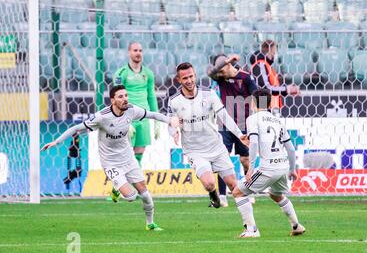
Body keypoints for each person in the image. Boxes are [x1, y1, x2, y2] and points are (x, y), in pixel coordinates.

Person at [41, 85, 181, 231]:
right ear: (113, 100)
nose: (125, 99)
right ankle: (116, 188)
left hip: (128, 158)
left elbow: (152, 114)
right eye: (121, 97)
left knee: (144, 192)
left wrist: (169, 120)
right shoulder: (102, 117)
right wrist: (56, 141)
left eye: (126, 95)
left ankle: (150, 223)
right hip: (111, 163)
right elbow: (76, 128)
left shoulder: (131, 110)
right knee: (131, 197)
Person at [168, 62, 256, 236]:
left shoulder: (209, 94)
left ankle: (251, 227)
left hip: (216, 147)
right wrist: (174, 132)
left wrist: (240, 135)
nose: (189, 80)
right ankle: (213, 194)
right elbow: (171, 123)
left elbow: (225, 116)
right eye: (185, 78)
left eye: (191, 76)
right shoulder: (174, 101)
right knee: (208, 183)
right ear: (179, 80)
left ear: (195, 75)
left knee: (234, 185)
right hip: (194, 151)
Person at [231, 88, 306, 238]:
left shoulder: (253, 119)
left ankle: (252, 230)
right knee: (276, 195)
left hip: (268, 168)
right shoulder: (277, 120)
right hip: (283, 166)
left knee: (238, 192)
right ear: (270, 103)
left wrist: (250, 168)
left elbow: (253, 144)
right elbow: (290, 149)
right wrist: (292, 169)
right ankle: (296, 226)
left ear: (253, 103)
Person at [207, 53, 258, 207]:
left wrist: (262, 115)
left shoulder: (246, 77)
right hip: (225, 124)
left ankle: (249, 191)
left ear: (229, 66)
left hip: (244, 124)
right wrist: (226, 61)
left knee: (245, 160)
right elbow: (211, 72)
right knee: (222, 158)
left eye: (222, 67)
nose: (219, 71)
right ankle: (222, 196)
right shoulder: (220, 78)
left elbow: (257, 95)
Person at [111, 42, 160, 201]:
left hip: (144, 117)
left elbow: (151, 96)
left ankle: (133, 188)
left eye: (140, 50)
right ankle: (117, 188)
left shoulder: (148, 73)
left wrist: (157, 120)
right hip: (128, 118)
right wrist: (124, 120)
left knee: (138, 155)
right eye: (135, 50)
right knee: (125, 156)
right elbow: (116, 98)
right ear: (129, 52)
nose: (138, 53)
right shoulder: (121, 73)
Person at [249, 39, 300, 116]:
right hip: (262, 109)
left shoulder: (266, 65)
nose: (275, 54)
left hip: (269, 109)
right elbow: (265, 88)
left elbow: (271, 86)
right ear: (269, 50)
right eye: (274, 51)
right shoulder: (260, 64)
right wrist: (286, 89)